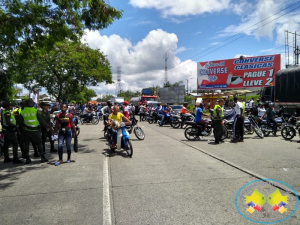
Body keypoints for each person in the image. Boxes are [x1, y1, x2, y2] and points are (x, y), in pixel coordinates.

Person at [19, 99, 48, 164]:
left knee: (26, 144)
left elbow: (20, 123)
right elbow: (42, 121)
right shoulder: (35, 111)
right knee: (39, 143)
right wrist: (46, 127)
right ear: (31, 104)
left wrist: (23, 128)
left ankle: (27, 159)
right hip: (35, 130)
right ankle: (42, 157)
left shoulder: (22, 112)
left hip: (27, 131)